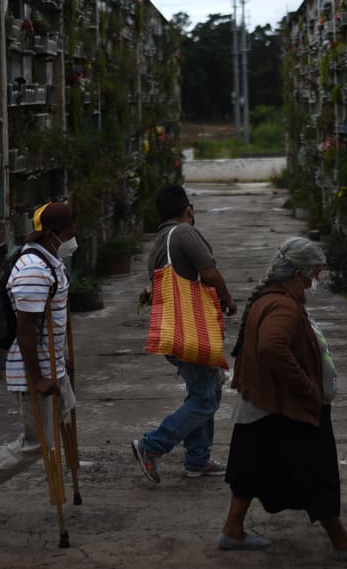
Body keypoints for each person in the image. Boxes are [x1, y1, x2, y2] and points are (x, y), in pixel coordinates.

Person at [217, 237, 347, 562]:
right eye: (314, 274)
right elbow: (271, 346)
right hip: (284, 405)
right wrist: (306, 386)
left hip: (262, 402)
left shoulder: (270, 297)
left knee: (249, 466)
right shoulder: (284, 306)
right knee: (317, 471)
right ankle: (342, 542)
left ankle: (232, 530)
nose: (315, 282)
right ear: (299, 273)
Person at [0, 202, 78, 523]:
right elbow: (26, 330)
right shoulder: (33, 269)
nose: (74, 236)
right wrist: (37, 378)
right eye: (70, 231)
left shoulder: (52, 261)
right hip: (33, 370)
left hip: (54, 364)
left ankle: (71, 487)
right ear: (54, 235)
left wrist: (63, 358)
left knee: (67, 415)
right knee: (38, 443)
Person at [130, 184, 237, 483]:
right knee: (205, 399)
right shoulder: (184, 233)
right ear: (187, 208)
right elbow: (210, 274)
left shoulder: (159, 242)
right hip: (190, 331)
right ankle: (152, 446)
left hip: (173, 331)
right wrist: (228, 300)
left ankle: (198, 458)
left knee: (205, 390)